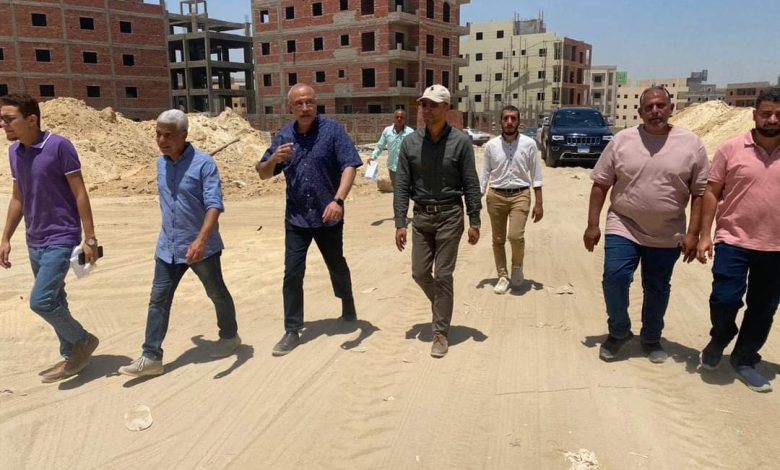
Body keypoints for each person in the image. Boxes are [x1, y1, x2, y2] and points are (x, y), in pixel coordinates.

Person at [583, 86, 709, 363]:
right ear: (640, 112)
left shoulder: (692, 144)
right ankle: (618, 331)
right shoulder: (622, 140)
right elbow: (601, 183)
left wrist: (693, 234)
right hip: (624, 224)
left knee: (657, 287)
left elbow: (700, 193)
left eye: (661, 105)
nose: (655, 111)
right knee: (615, 278)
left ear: (671, 108)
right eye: (649, 107)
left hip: (668, 232)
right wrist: (593, 225)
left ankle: (651, 338)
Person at [119, 110, 239, 377]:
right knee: (158, 300)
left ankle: (230, 336)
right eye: (158, 134)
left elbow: (214, 205)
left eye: (168, 135)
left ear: (184, 135)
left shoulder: (204, 164)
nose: (162, 140)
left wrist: (201, 239)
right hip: (168, 247)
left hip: (201, 248)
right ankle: (151, 357)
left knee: (216, 292)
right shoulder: (160, 164)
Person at [0, 93, 100, 383]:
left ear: (32, 119)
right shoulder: (14, 152)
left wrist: (90, 239)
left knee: (41, 301)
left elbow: (79, 192)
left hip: (61, 236)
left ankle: (83, 341)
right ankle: (71, 355)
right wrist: (5, 237)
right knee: (56, 298)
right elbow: (18, 197)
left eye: (9, 119)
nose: (3, 124)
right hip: (34, 239)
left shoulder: (59, 146)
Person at [257, 84, 362, 356]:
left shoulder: (332, 131)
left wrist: (338, 200)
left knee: (336, 265)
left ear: (316, 104)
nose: (305, 108)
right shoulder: (284, 136)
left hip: (329, 215)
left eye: (310, 102)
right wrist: (273, 160)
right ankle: (292, 329)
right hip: (297, 218)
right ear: (290, 107)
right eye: (299, 103)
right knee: (292, 273)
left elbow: (349, 165)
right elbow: (263, 173)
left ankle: (347, 301)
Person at [696, 88, 780, 392]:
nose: (772, 120)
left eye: (778, 115)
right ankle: (721, 335)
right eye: (766, 113)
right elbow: (711, 192)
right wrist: (705, 235)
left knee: (763, 308)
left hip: (775, 248)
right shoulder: (731, 149)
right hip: (733, 240)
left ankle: (744, 359)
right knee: (724, 299)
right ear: (754, 115)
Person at [393, 84, 482, 358]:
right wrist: (400, 222)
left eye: (432, 104)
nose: (426, 109)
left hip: (450, 216)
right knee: (420, 272)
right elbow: (402, 185)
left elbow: (471, 182)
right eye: (423, 104)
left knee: (443, 275)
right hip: (421, 217)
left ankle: (440, 333)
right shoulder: (410, 143)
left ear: (446, 108)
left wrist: (475, 219)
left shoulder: (461, 142)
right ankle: (442, 302)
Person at [480, 105, 543, 294]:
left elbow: (536, 174)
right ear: (500, 121)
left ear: (518, 122)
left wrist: (539, 203)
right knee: (498, 239)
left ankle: (517, 267)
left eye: (513, 118)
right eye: (506, 118)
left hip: (520, 195)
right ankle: (502, 275)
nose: (509, 122)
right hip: (496, 195)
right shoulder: (491, 146)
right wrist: (477, 197)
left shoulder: (529, 144)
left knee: (515, 236)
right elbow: (485, 173)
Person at [368, 109, 414, 188]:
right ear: (393, 118)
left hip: (405, 167)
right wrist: (373, 157)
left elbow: (414, 149)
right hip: (392, 167)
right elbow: (380, 146)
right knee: (396, 188)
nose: (399, 119)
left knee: (405, 189)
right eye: (397, 117)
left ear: (405, 119)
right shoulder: (387, 131)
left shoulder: (410, 132)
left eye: (401, 117)